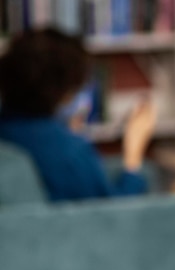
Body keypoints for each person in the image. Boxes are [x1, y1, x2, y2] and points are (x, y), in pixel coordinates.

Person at [0, 27, 156, 202]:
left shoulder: (9, 129)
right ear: (64, 90)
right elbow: (111, 214)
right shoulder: (68, 151)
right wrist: (133, 154)